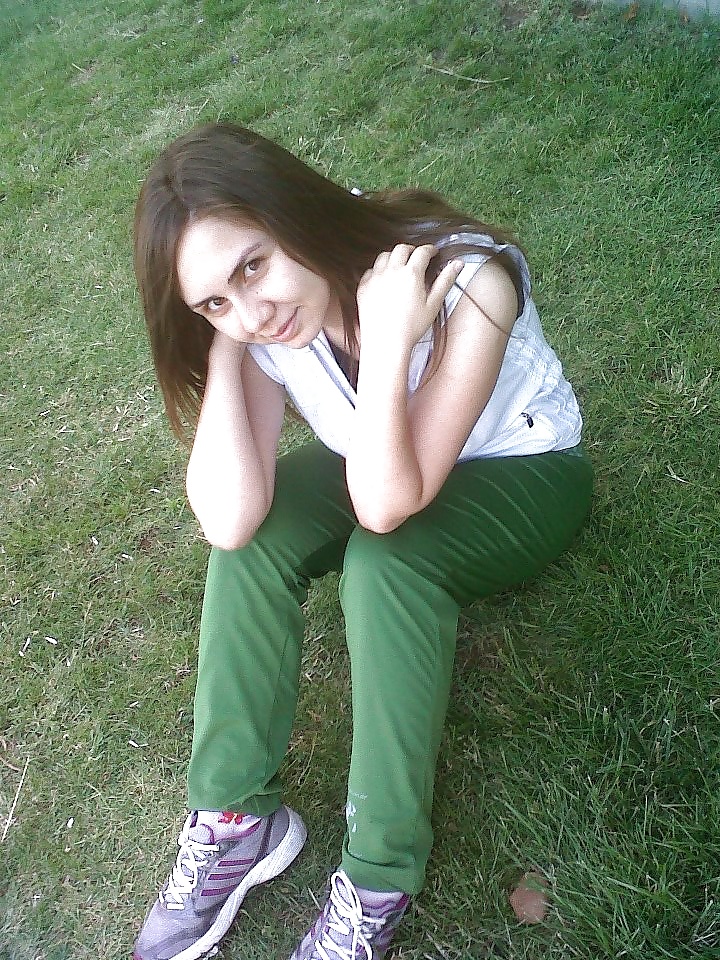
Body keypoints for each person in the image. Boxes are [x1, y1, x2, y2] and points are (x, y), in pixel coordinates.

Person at [131, 122, 593, 960]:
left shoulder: (466, 278)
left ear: (294, 211)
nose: (254, 310)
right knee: (257, 538)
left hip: (523, 469)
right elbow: (229, 518)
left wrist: (387, 343)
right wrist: (224, 344)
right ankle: (236, 818)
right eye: (213, 300)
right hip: (379, 456)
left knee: (387, 564)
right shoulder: (255, 323)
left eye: (252, 265)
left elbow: (386, 506)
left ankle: (378, 873)